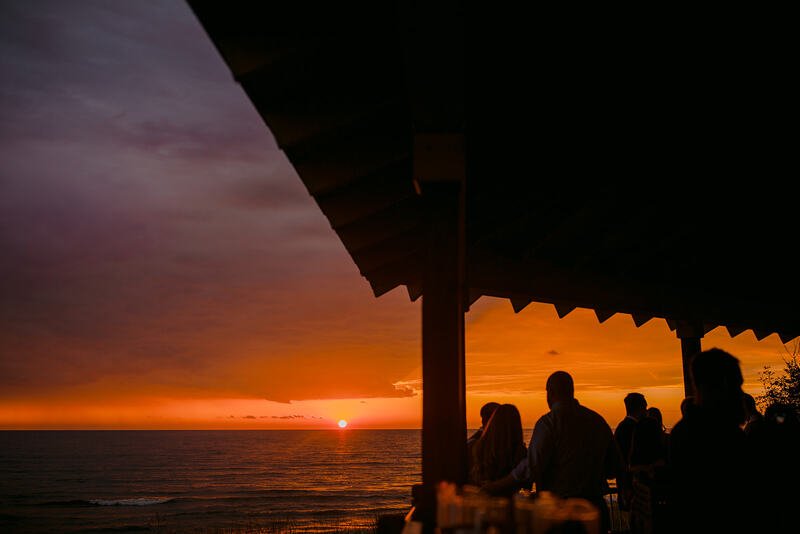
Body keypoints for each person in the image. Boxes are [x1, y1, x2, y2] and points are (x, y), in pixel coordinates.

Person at [487, 371, 621, 533]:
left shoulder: (549, 424)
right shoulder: (598, 421)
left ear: (550, 392)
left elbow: (531, 468)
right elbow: (614, 467)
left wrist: (494, 487)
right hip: (596, 512)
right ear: (571, 391)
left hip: (560, 515)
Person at [668, 348, 750, 534]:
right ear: (723, 384)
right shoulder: (726, 435)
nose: (741, 392)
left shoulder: (683, 431)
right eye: (737, 385)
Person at [468, 403, 527, 495]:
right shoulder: (521, 452)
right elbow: (526, 484)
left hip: (482, 500)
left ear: (493, 420)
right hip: (510, 503)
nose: (482, 421)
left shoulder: (478, 447)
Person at [614, 392, 647, 511]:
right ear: (640, 408)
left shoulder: (621, 428)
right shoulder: (636, 429)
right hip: (633, 487)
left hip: (626, 486)